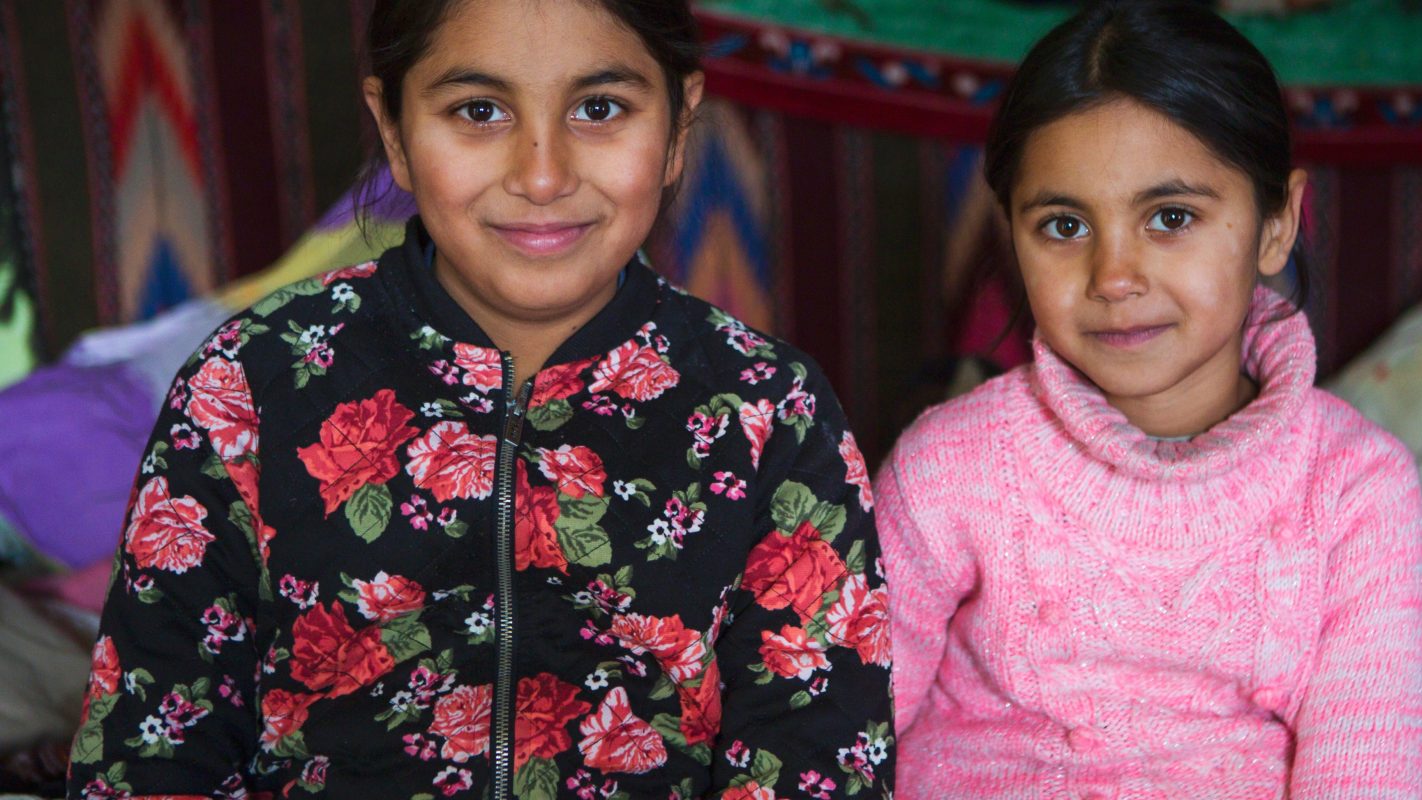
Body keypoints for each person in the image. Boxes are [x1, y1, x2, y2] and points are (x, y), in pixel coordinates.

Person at [65, 1, 893, 797]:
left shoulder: (766, 409)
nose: (542, 174)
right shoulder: (252, 381)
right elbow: (153, 749)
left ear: (678, 128)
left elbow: (816, 764)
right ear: (394, 132)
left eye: (600, 107)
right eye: (478, 111)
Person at [876, 1, 1422, 797]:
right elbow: (838, 723)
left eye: (1171, 217)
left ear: (1278, 223)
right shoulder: (951, 466)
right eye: (1064, 227)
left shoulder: (1355, 489)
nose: (1114, 278)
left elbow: (1369, 772)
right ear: (1012, 235)